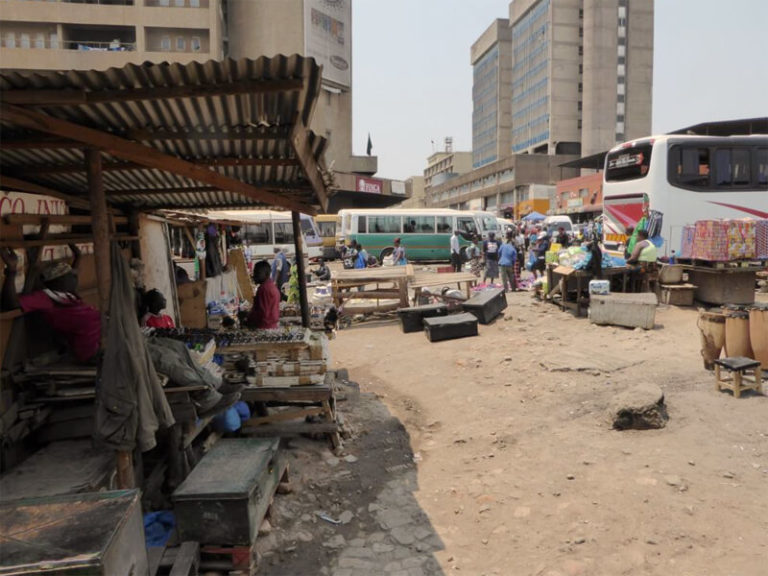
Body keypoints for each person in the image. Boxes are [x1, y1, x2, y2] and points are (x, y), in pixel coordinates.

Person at [1, 245, 101, 364]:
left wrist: (78, 254)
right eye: (71, 276)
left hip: (102, 339)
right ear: (59, 281)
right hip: (91, 350)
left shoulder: (69, 295)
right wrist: (12, 270)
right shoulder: (45, 298)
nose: (75, 279)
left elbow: (75, 269)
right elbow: (12, 304)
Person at [246, 260, 280, 329]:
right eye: (254, 272)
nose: (254, 275)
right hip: (271, 325)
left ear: (266, 274)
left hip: (265, 327)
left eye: (257, 273)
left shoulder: (264, 289)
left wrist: (248, 317)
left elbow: (264, 314)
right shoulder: (270, 285)